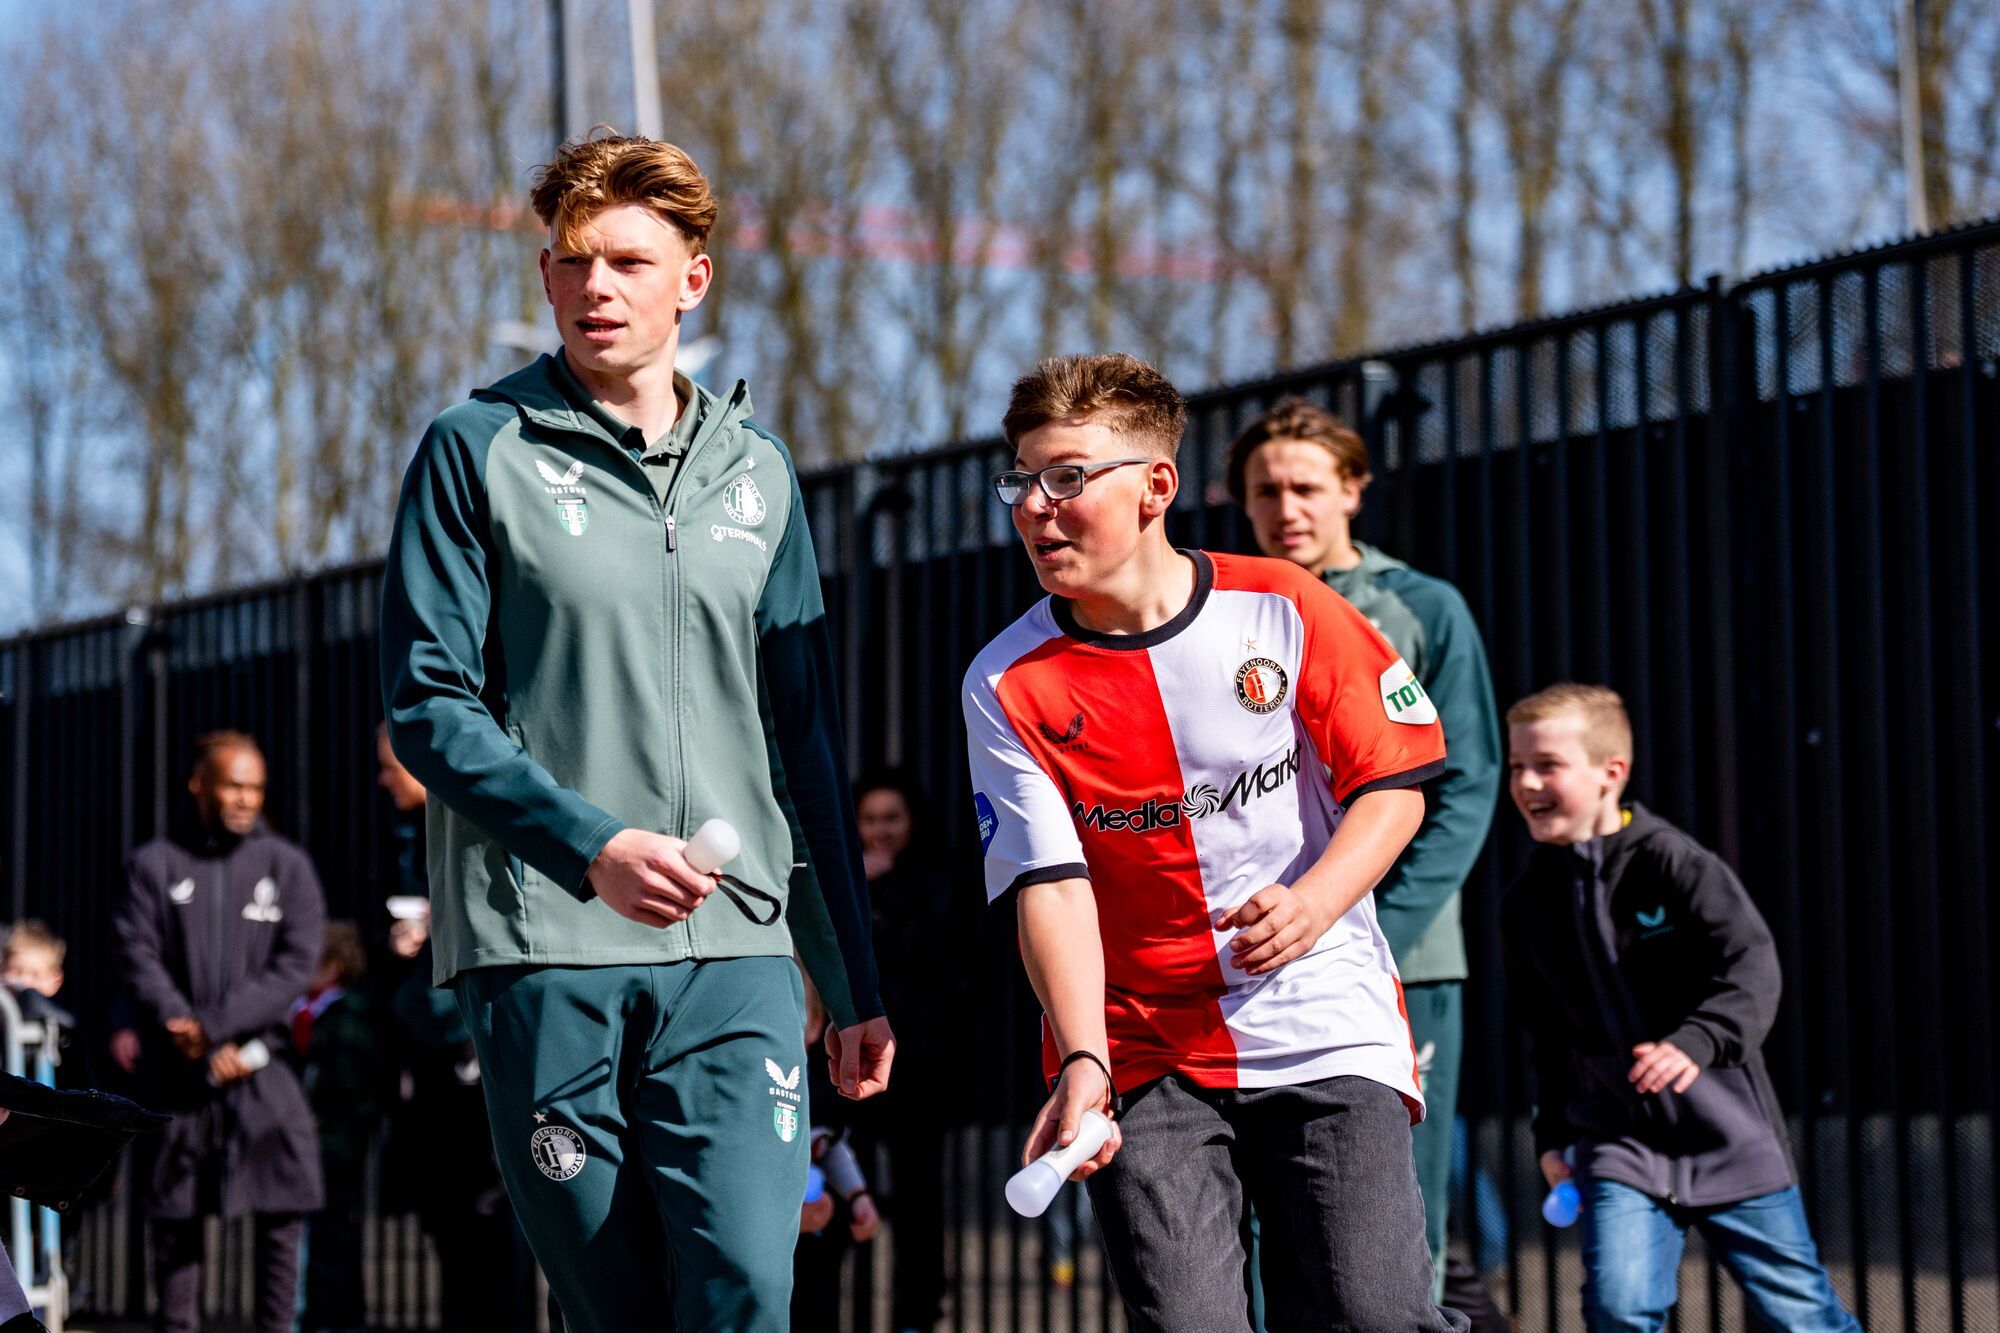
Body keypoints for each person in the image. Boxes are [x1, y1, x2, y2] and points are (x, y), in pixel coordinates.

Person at [379, 130, 891, 1333]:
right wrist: (588, 847)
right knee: (615, 1305)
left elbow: (797, 736)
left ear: (691, 279)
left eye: (626, 260)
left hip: (740, 949)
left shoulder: (758, 472)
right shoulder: (473, 451)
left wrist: (849, 972)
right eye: (570, 263)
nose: (595, 287)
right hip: (543, 938)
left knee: (743, 1289)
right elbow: (427, 704)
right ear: (546, 279)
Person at [961, 353, 1466, 1332]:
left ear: (1155, 485)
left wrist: (1317, 899)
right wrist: (1080, 1058)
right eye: (1019, 480)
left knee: (1375, 1316)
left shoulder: (1281, 603)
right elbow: (1050, 886)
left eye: (1066, 476)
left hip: (1320, 1020)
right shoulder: (1004, 679)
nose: (1033, 505)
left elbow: (1396, 785)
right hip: (1141, 1050)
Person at [1228, 398, 1507, 1328]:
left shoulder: (1424, 608)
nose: (1286, 506)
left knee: (1389, 1225)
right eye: (1265, 489)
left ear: (1353, 488)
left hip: (1402, 960)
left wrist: (1362, 916)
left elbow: (1466, 782)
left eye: (1306, 485)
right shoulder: (1222, 613)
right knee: (1259, 1217)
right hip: (1251, 963)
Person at [1499, 684, 1860, 1332]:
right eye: (1517, 766)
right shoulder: (1527, 904)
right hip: (1619, 1142)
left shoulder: (1675, 863)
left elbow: (1752, 965)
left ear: (1612, 772)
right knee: (1619, 1308)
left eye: (1547, 764)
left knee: (1800, 1317)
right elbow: (1547, 1037)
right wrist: (1552, 1133)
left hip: (1727, 1129)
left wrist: (1694, 1041)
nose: (1526, 781)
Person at [114, 730, 326, 1333]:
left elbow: (296, 967)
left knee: (282, 1220)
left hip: (265, 1071)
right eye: (233, 784)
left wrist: (219, 1031)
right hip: (177, 1077)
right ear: (198, 784)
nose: (245, 799)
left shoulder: (289, 867)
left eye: (255, 787)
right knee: (175, 1227)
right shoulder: (152, 864)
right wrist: (182, 1027)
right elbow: (137, 955)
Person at [851, 771, 969, 1332]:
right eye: (869, 819)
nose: (880, 831)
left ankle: (917, 1315)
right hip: (848, 1057)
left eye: (891, 818)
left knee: (919, 1196)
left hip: (920, 1061)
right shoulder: (843, 878)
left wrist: (882, 889)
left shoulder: (938, 879)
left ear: (912, 822)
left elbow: (936, 954)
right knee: (841, 1183)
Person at [295, 921, 389, 1333]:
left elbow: (351, 1079)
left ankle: (338, 1317)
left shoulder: (347, 1012)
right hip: (314, 1142)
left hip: (336, 1142)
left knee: (335, 1235)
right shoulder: (309, 1009)